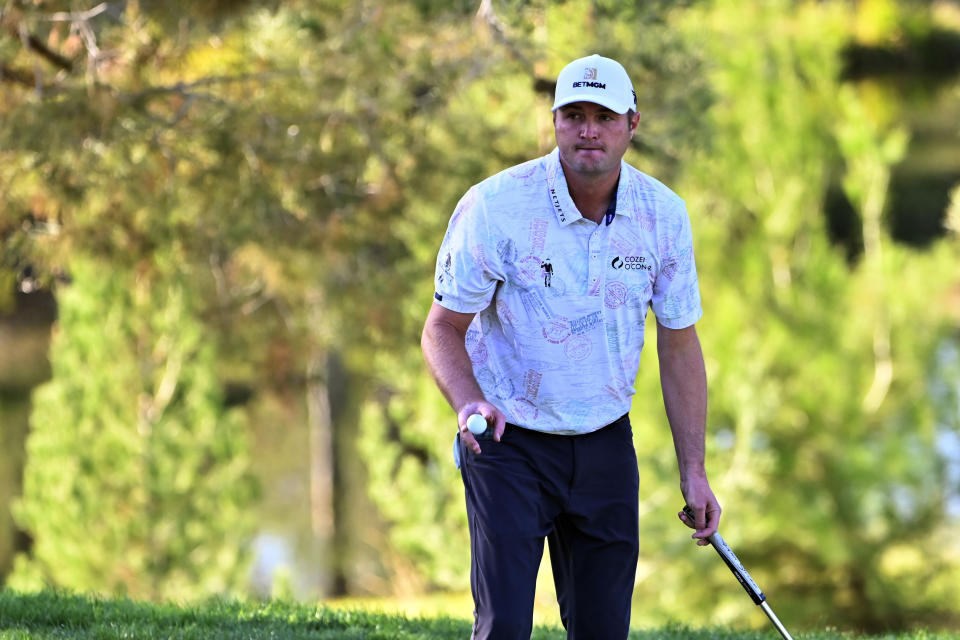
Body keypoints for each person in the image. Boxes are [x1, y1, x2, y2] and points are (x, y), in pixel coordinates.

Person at [421, 53, 722, 640]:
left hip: (606, 442)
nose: (588, 130)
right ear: (554, 122)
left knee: (602, 630)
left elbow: (680, 347)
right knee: (504, 625)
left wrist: (695, 471)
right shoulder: (495, 207)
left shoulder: (663, 216)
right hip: (508, 441)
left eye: (604, 116)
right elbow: (440, 329)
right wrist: (467, 403)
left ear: (632, 124)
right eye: (574, 114)